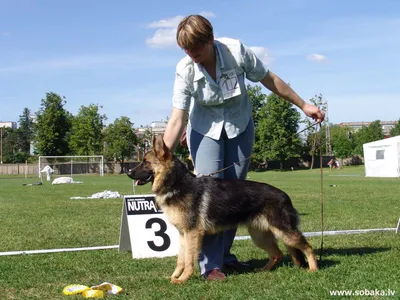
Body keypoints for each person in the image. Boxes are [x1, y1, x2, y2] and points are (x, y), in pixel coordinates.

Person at [162, 15, 325, 281]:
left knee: (233, 195)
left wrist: (304, 104)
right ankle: (211, 266)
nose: (191, 54)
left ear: (210, 40)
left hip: (239, 126)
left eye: (196, 48)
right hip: (205, 130)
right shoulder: (185, 69)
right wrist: (163, 156)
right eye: (186, 49)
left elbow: (270, 80)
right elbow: (177, 117)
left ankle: (226, 259)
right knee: (208, 194)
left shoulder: (236, 51)